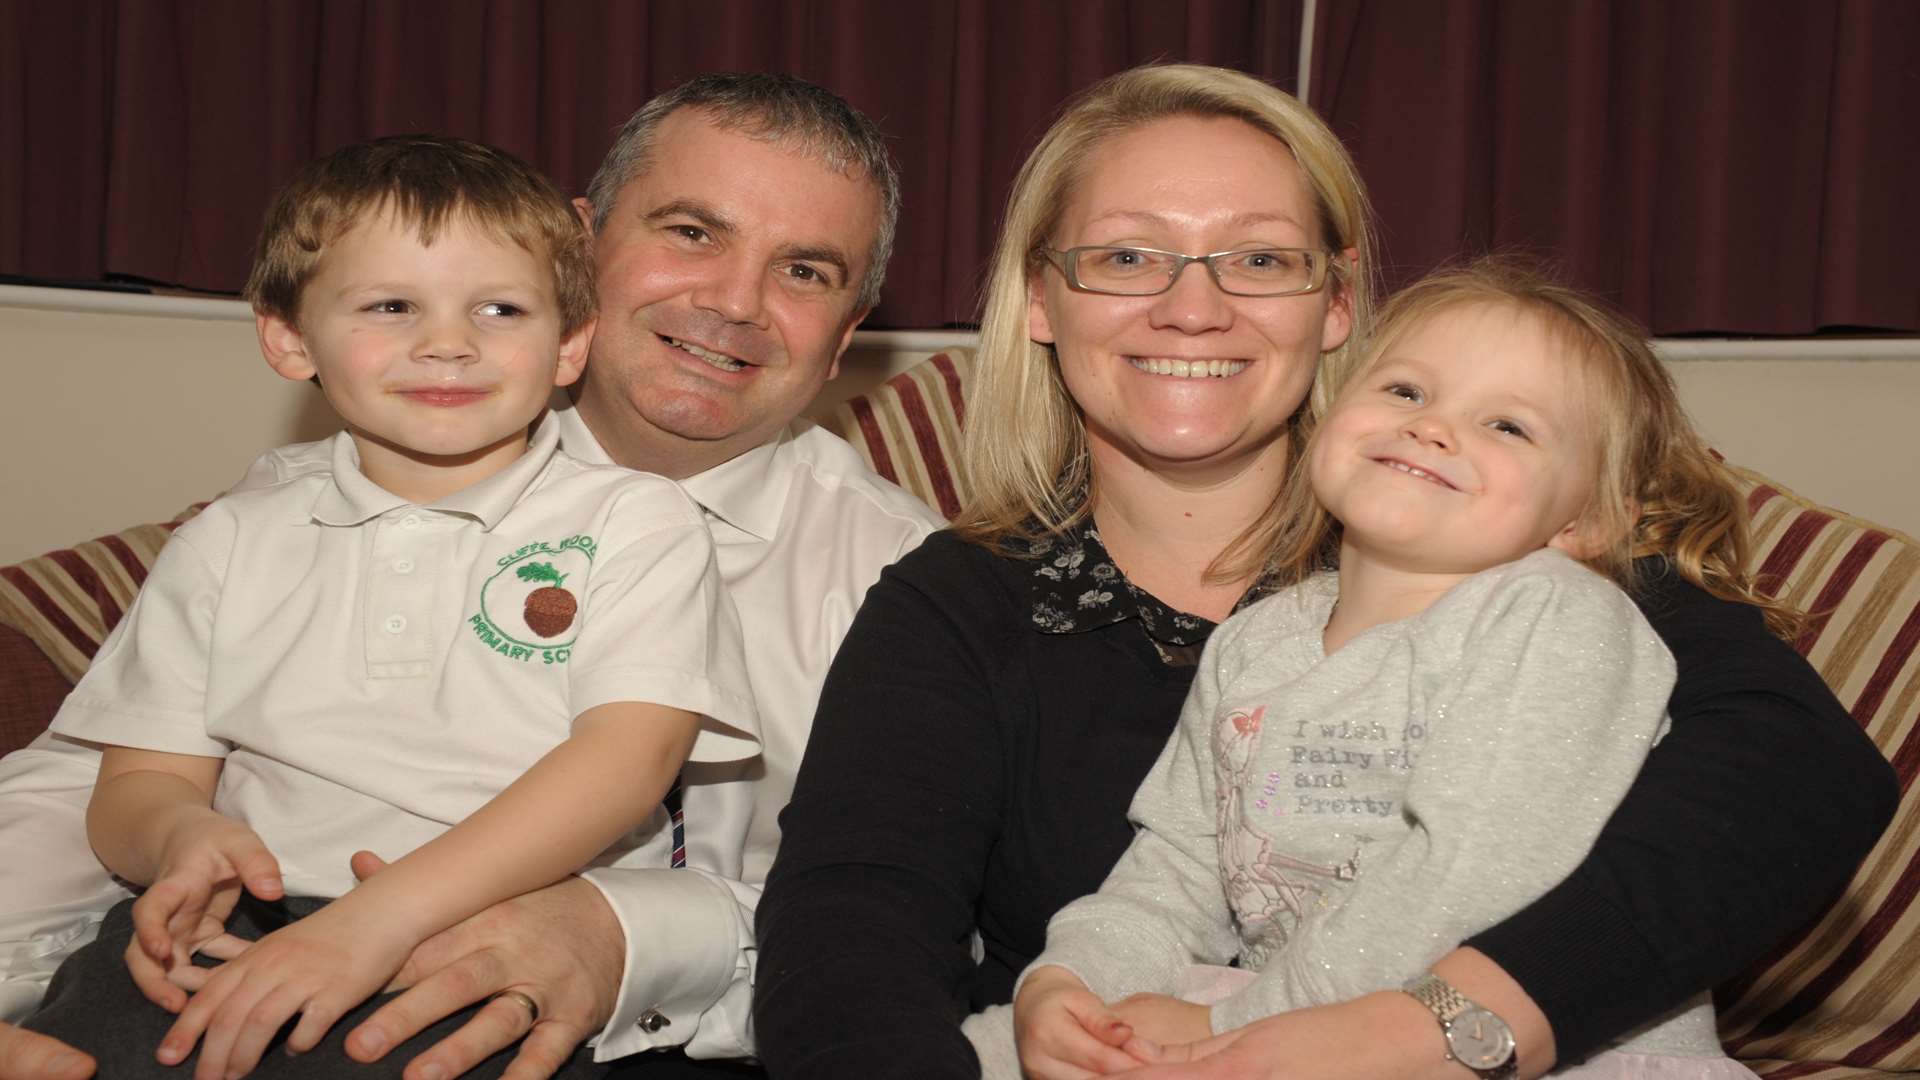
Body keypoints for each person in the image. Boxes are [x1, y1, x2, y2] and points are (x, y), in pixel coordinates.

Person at [752, 64, 1897, 1080]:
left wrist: (1423, 1029)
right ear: (1043, 298)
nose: (1191, 306)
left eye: (1259, 258)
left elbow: (1797, 781)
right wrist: (1076, 992)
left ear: (1338, 301)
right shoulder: (958, 606)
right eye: (1127, 255)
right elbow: (851, 944)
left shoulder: (1525, 559)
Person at [0, 73, 942, 1080]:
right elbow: (94, 790)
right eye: (693, 233)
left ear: (849, 331)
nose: (734, 302)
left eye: (804, 270)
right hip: (245, 954)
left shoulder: (912, 590)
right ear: (577, 248)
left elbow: (932, 937)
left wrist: (627, 936)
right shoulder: (312, 495)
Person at [1009, 259, 1772, 1080]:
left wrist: (1228, 1027)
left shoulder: (1559, 618)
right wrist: (1073, 982)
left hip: (1541, 1052)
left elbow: (1470, 881)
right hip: (1287, 1025)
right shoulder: (1253, 644)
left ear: (1586, 518)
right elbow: (1177, 865)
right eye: (1406, 392)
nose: (1433, 428)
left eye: (1508, 426)